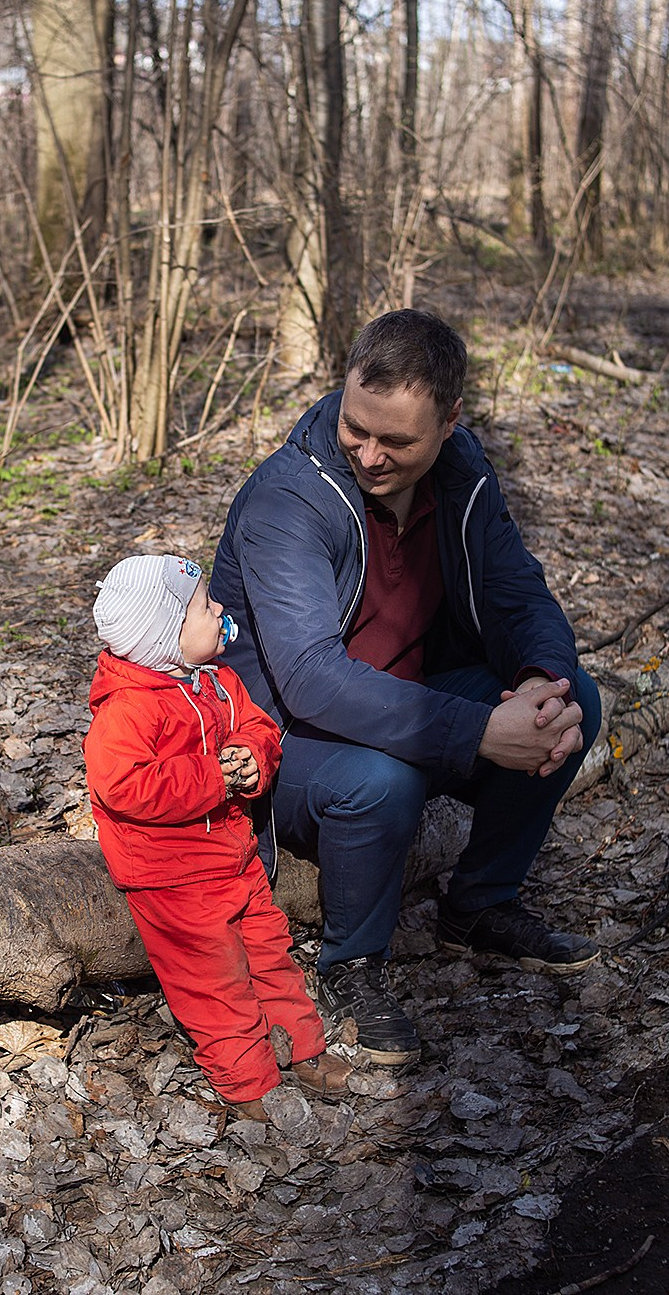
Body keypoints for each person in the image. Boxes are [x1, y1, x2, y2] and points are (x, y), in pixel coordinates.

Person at [210, 308, 602, 1066]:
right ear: (344, 386)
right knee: (382, 777)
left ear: (450, 421)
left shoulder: (463, 473)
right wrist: (480, 730)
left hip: (407, 697)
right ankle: (353, 963)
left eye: (397, 440)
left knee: (572, 696)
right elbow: (309, 678)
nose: (370, 453)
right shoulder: (288, 498)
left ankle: (480, 904)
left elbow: (520, 595)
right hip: (288, 737)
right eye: (357, 428)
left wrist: (534, 686)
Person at [84, 554, 354, 1120]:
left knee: (269, 953)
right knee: (212, 980)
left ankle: (301, 1047)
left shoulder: (218, 680)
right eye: (205, 606)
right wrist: (215, 776)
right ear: (166, 635)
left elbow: (256, 726)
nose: (220, 610)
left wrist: (256, 756)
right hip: (172, 876)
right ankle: (247, 1079)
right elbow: (123, 785)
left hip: (234, 855)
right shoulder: (129, 709)